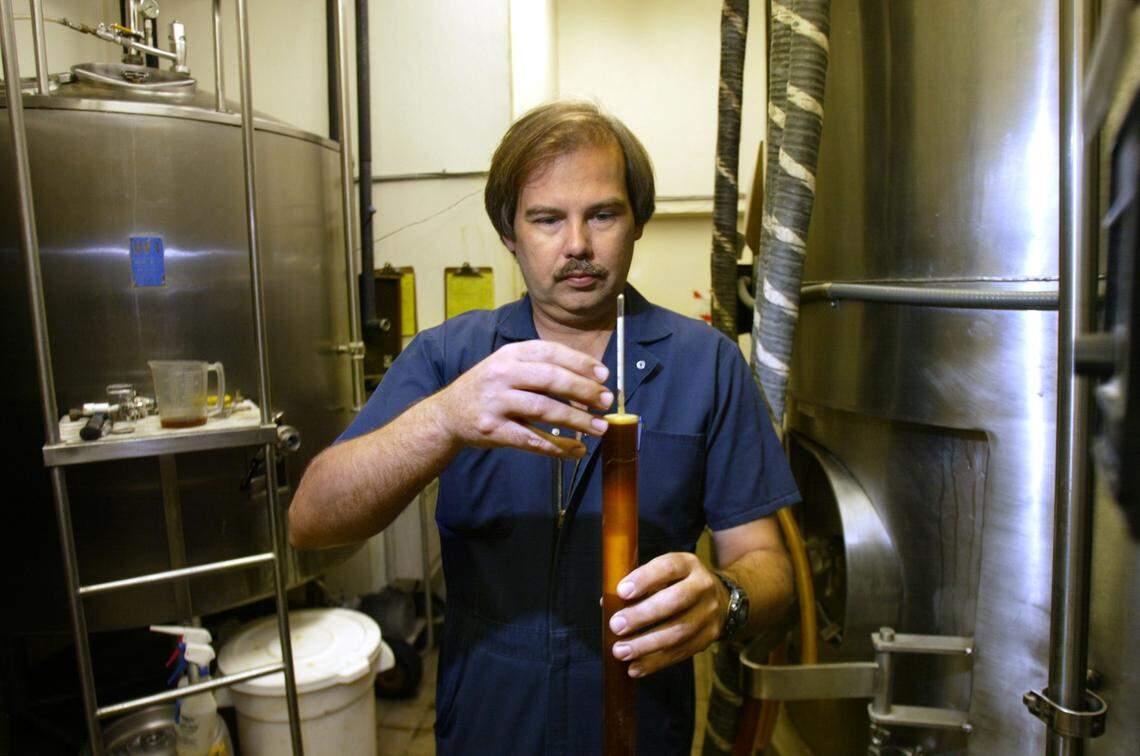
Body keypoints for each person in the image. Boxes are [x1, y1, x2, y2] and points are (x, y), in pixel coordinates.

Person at [289, 101, 799, 754]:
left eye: (603, 214)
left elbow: (770, 569)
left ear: (637, 220)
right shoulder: (451, 358)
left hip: (637, 720)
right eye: (547, 218)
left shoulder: (708, 365)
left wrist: (726, 599)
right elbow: (312, 521)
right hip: (487, 716)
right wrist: (444, 419)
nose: (578, 244)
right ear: (510, 232)